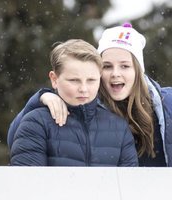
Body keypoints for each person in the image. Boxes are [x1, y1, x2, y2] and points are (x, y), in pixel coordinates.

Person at [8, 23, 172, 167]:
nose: (115, 73)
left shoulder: (167, 103)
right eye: (107, 66)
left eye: (125, 66)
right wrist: (40, 98)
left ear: (138, 71)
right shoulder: (85, 103)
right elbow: (18, 138)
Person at [10, 39, 138, 166]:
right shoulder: (37, 123)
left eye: (91, 80)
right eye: (74, 80)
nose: (83, 89)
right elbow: (28, 183)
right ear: (54, 79)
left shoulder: (119, 128)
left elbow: (129, 184)